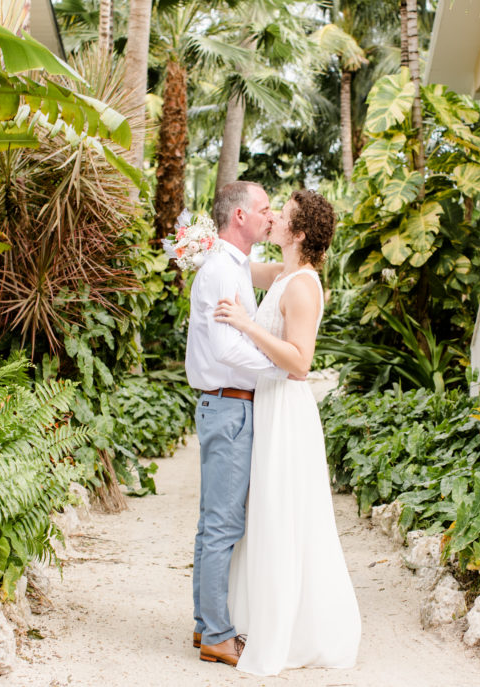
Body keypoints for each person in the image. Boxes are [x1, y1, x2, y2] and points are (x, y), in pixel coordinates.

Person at [214, 189, 362, 676]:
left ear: (298, 234)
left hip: (287, 407)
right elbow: (237, 266)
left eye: (283, 216)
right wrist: (202, 244)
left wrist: (244, 324)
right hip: (270, 405)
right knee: (268, 514)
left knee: (285, 515)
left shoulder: (302, 286)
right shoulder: (284, 274)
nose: (273, 218)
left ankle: (296, 632)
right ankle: (257, 618)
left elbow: (300, 363)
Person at [185, 180, 285, 667]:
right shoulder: (223, 271)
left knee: (213, 524)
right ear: (239, 217)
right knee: (224, 524)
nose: (271, 215)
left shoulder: (235, 267)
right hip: (228, 405)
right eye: (264, 208)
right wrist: (279, 371)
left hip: (224, 404)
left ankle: (207, 625)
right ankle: (219, 636)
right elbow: (227, 348)